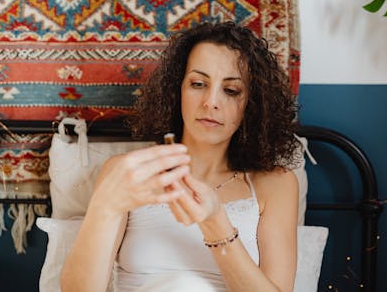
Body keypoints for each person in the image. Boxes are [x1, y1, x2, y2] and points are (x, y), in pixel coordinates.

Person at [61, 21, 301, 292]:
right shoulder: (127, 173)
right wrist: (106, 207)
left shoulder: (276, 184)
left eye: (231, 90)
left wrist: (215, 223)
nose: (211, 101)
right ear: (178, 91)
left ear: (252, 105)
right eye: (198, 84)